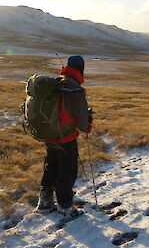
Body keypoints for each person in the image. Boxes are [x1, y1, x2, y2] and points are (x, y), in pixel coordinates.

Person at [36, 55, 91, 217]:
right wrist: (87, 119)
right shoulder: (75, 89)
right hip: (66, 138)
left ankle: (45, 201)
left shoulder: (55, 84)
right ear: (81, 69)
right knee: (67, 171)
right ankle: (65, 205)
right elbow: (82, 123)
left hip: (49, 135)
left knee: (51, 166)